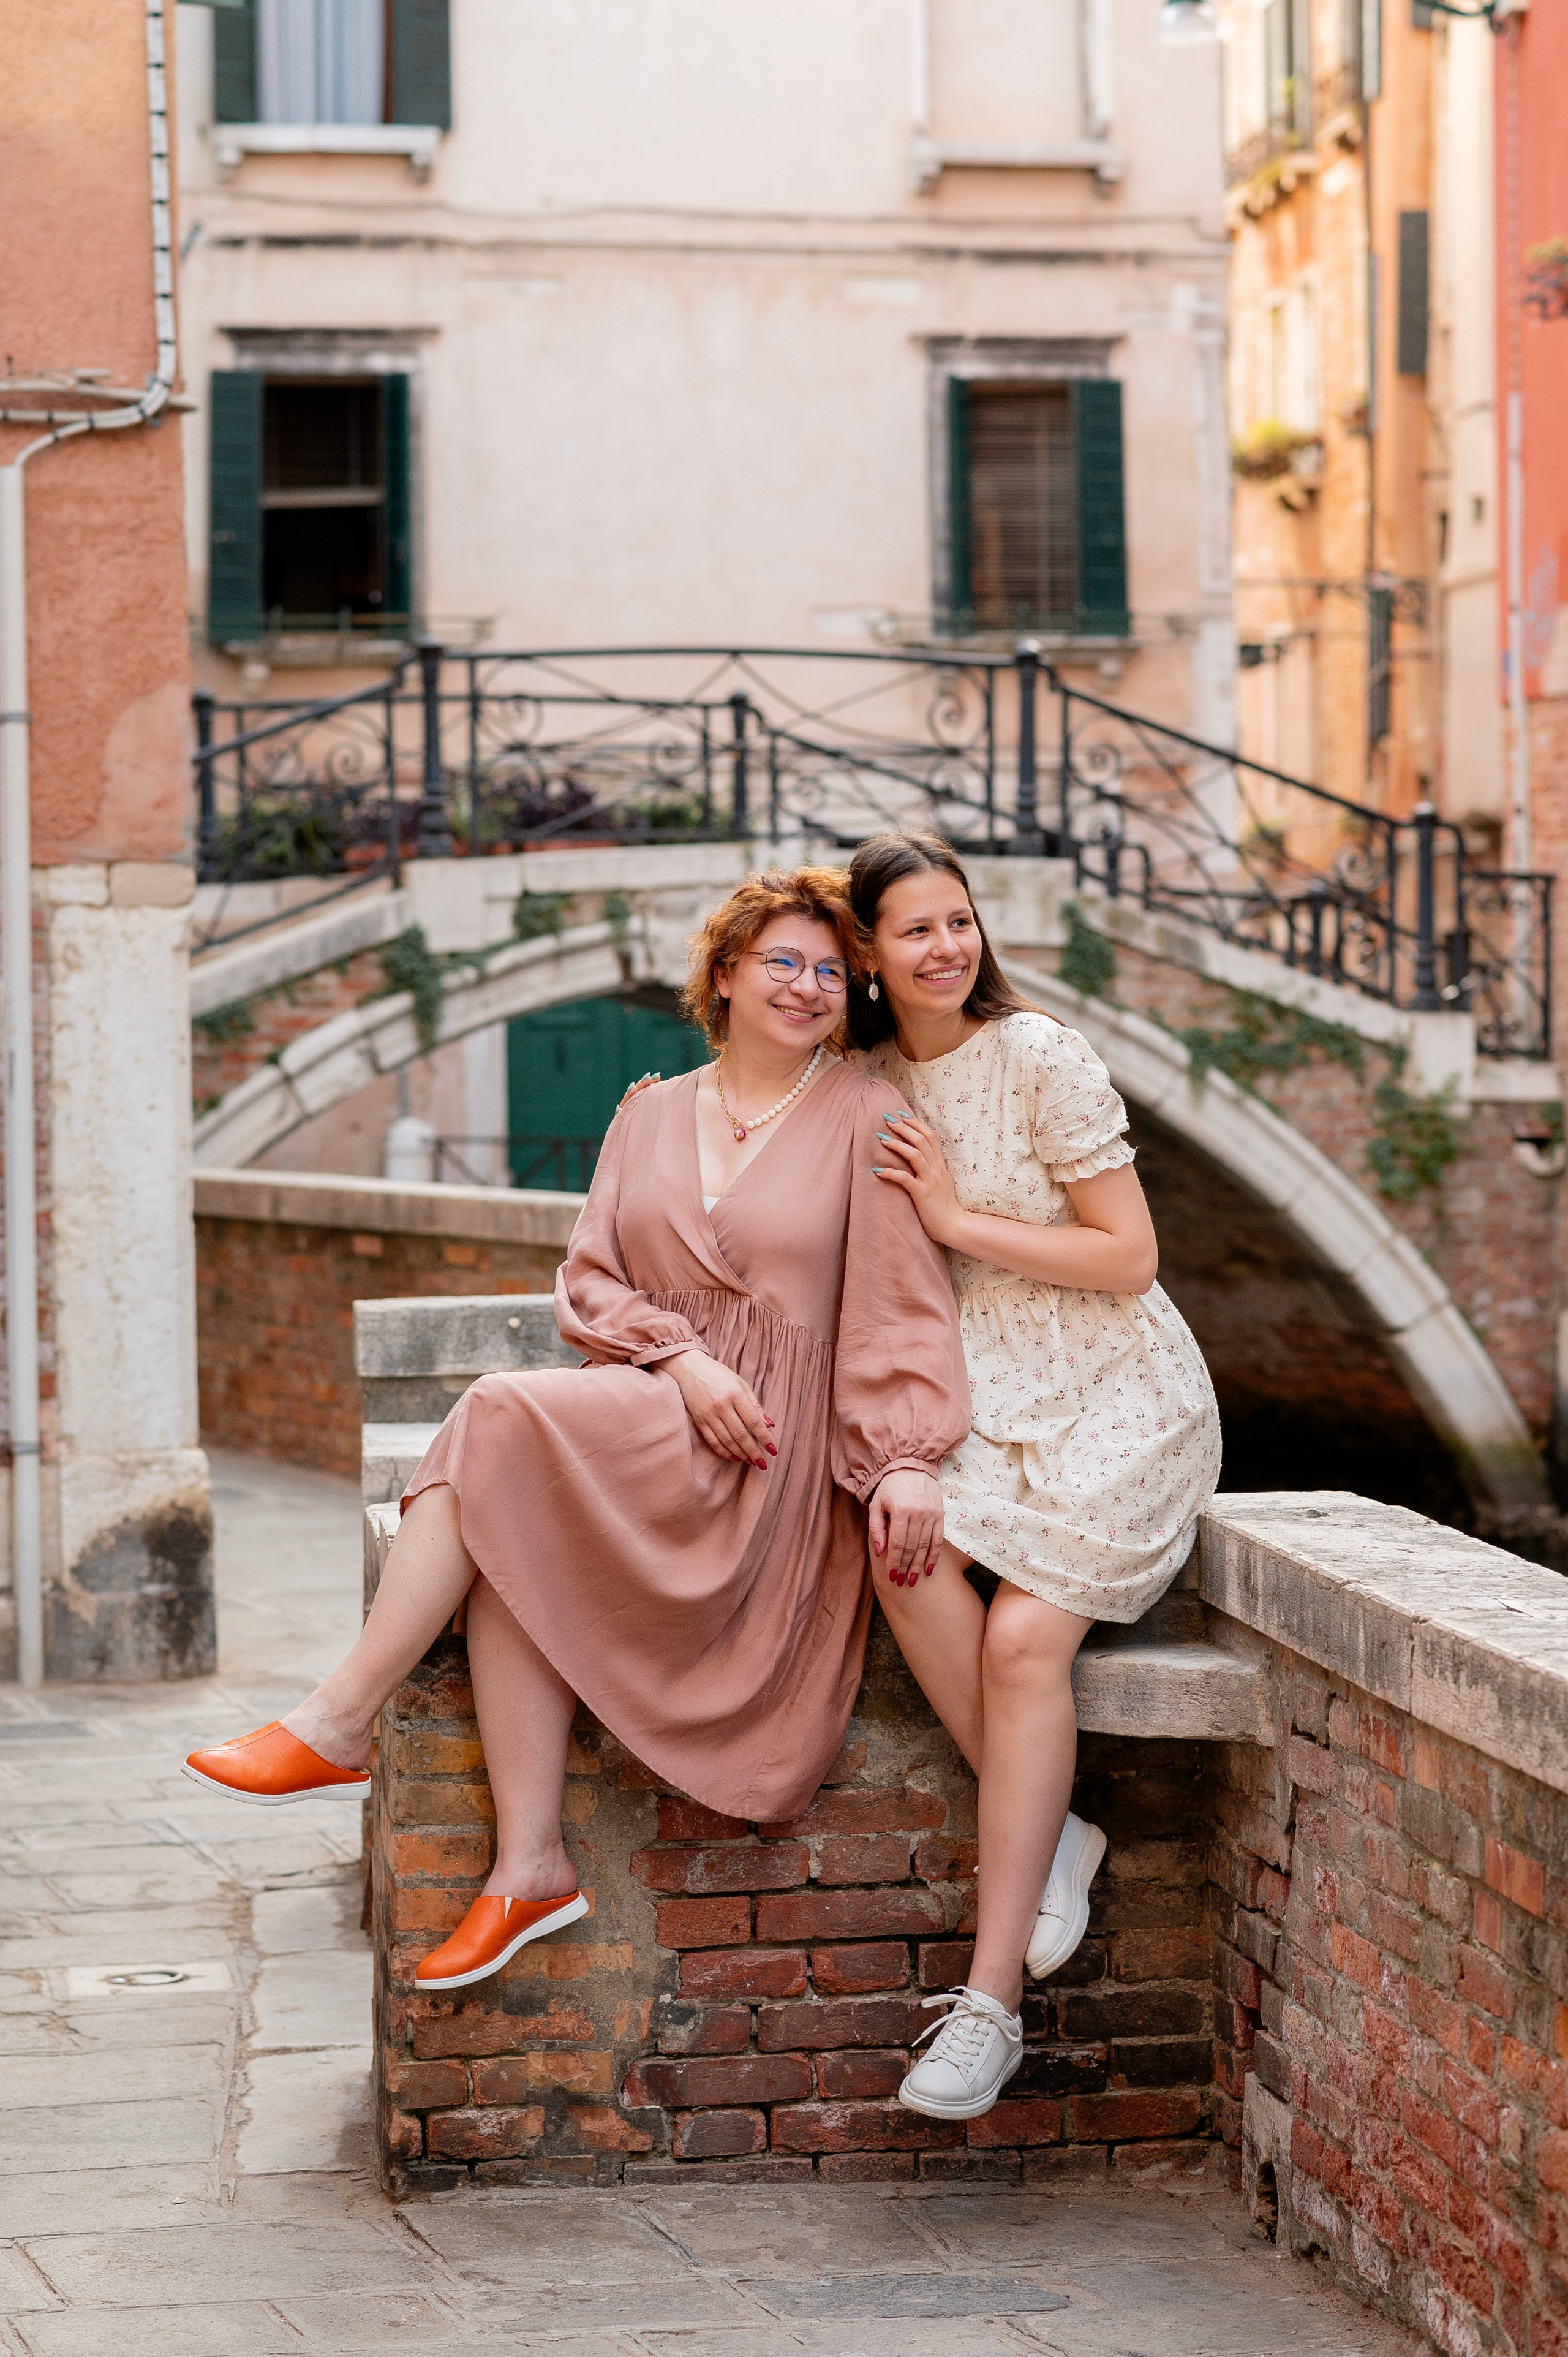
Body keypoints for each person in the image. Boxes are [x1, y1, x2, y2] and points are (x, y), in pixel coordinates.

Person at [184, 868, 969, 1996]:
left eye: (832, 974)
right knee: (509, 1521)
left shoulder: (867, 1114)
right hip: (665, 1401)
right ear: (726, 973)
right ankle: (530, 1866)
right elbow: (589, 1279)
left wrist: (904, 1460)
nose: (807, 988)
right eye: (783, 963)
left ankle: (342, 1718)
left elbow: (900, 1306)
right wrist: (684, 1358)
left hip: (764, 1450)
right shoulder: (648, 1110)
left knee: (498, 1415)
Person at [850, 830, 1221, 2122]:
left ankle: (989, 2003)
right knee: (896, 1552)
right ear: (867, 954)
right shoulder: (863, 1079)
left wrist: (955, 1220)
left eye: (958, 920)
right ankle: (1048, 1825)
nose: (944, 946)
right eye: (913, 929)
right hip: (983, 1397)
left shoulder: (1039, 1053)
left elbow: (1128, 1257)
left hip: (1118, 1389)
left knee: (1021, 1649)